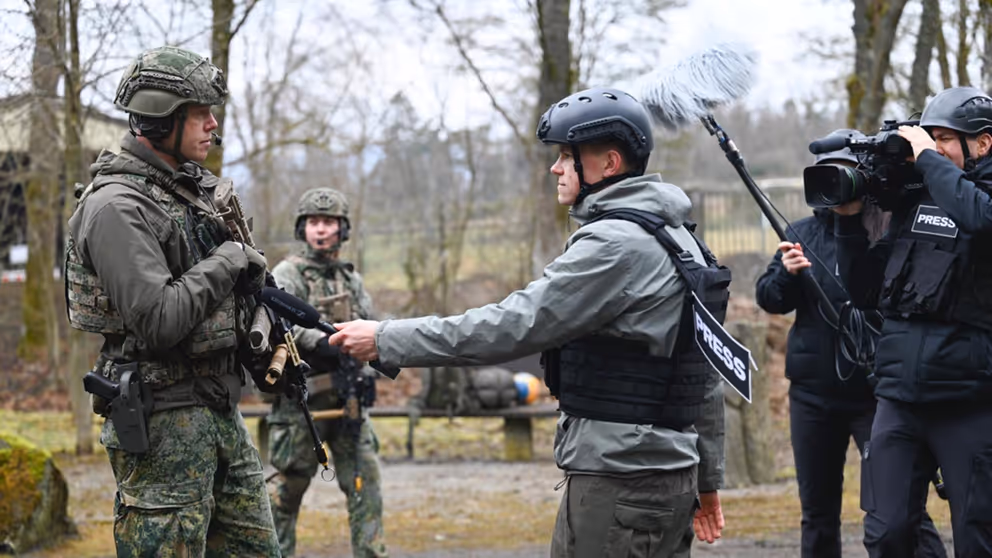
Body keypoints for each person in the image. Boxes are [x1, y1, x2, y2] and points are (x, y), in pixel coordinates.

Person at [327, 87, 728, 557]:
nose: (555, 169)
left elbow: (512, 324)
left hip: (620, 480)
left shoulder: (616, 245)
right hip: (665, 477)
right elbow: (704, 373)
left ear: (609, 163)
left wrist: (385, 338)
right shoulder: (680, 239)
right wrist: (706, 477)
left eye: (565, 156)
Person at [65, 46, 280, 556]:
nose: (213, 125)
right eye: (200, 113)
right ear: (162, 119)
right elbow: (159, 320)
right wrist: (230, 258)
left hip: (218, 414)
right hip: (162, 426)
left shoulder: (187, 191)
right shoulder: (116, 205)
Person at [756, 130, 946, 558]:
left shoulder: (888, 228)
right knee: (817, 513)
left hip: (873, 392)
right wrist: (786, 273)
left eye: (844, 174)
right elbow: (769, 298)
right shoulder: (800, 232)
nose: (835, 186)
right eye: (827, 176)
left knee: (893, 506)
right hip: (812, 395)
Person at [833, 86, 992, 557]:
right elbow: (864, 291)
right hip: (899, 398)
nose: (932, 148)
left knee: (978, 538)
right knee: (887, 533)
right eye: (929, 138)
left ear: (983, 143)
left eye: (943, 138)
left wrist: (928, 160)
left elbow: (979, 218)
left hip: (972, 401)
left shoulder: (974, 201)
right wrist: (848, 220)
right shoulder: (921, 202)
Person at [267, 188, 388, 558]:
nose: (321, 230)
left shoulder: (350, 278)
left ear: (342, 229)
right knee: (285, 494)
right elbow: (282, 322)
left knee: (366, 485)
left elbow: (368, 321)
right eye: (314, 222)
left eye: (329, 223)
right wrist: (326, 342)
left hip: (349, 401)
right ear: (303, 228)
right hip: (301, 405)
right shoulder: (287, 274)